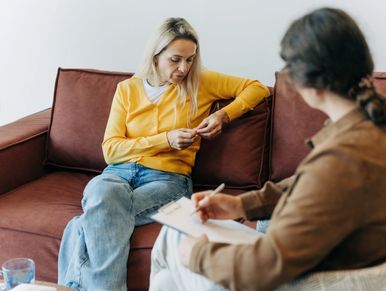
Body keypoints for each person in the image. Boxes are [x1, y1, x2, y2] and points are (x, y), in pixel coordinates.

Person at [149, 8, 386, 291]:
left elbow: (267, 266)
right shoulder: (366, 130)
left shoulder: (340, 157)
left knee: (174, 238)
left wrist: (197, 254)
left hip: (316, 280)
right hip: (333, 264)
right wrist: (241, 205)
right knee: (167, 281)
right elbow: (313, 187)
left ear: (307, 82)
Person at [57, 17, 269, 291]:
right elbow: (111, 150)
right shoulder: (127, 90)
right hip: (117, 174)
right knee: (102, 195)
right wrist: (165, 139)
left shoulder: (200, 82)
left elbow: (256, 87)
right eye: (175, 59)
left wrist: (221, 116)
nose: (184, 68)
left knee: (95, 216)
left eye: (190, 60)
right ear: (155, 56)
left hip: (168, 179)